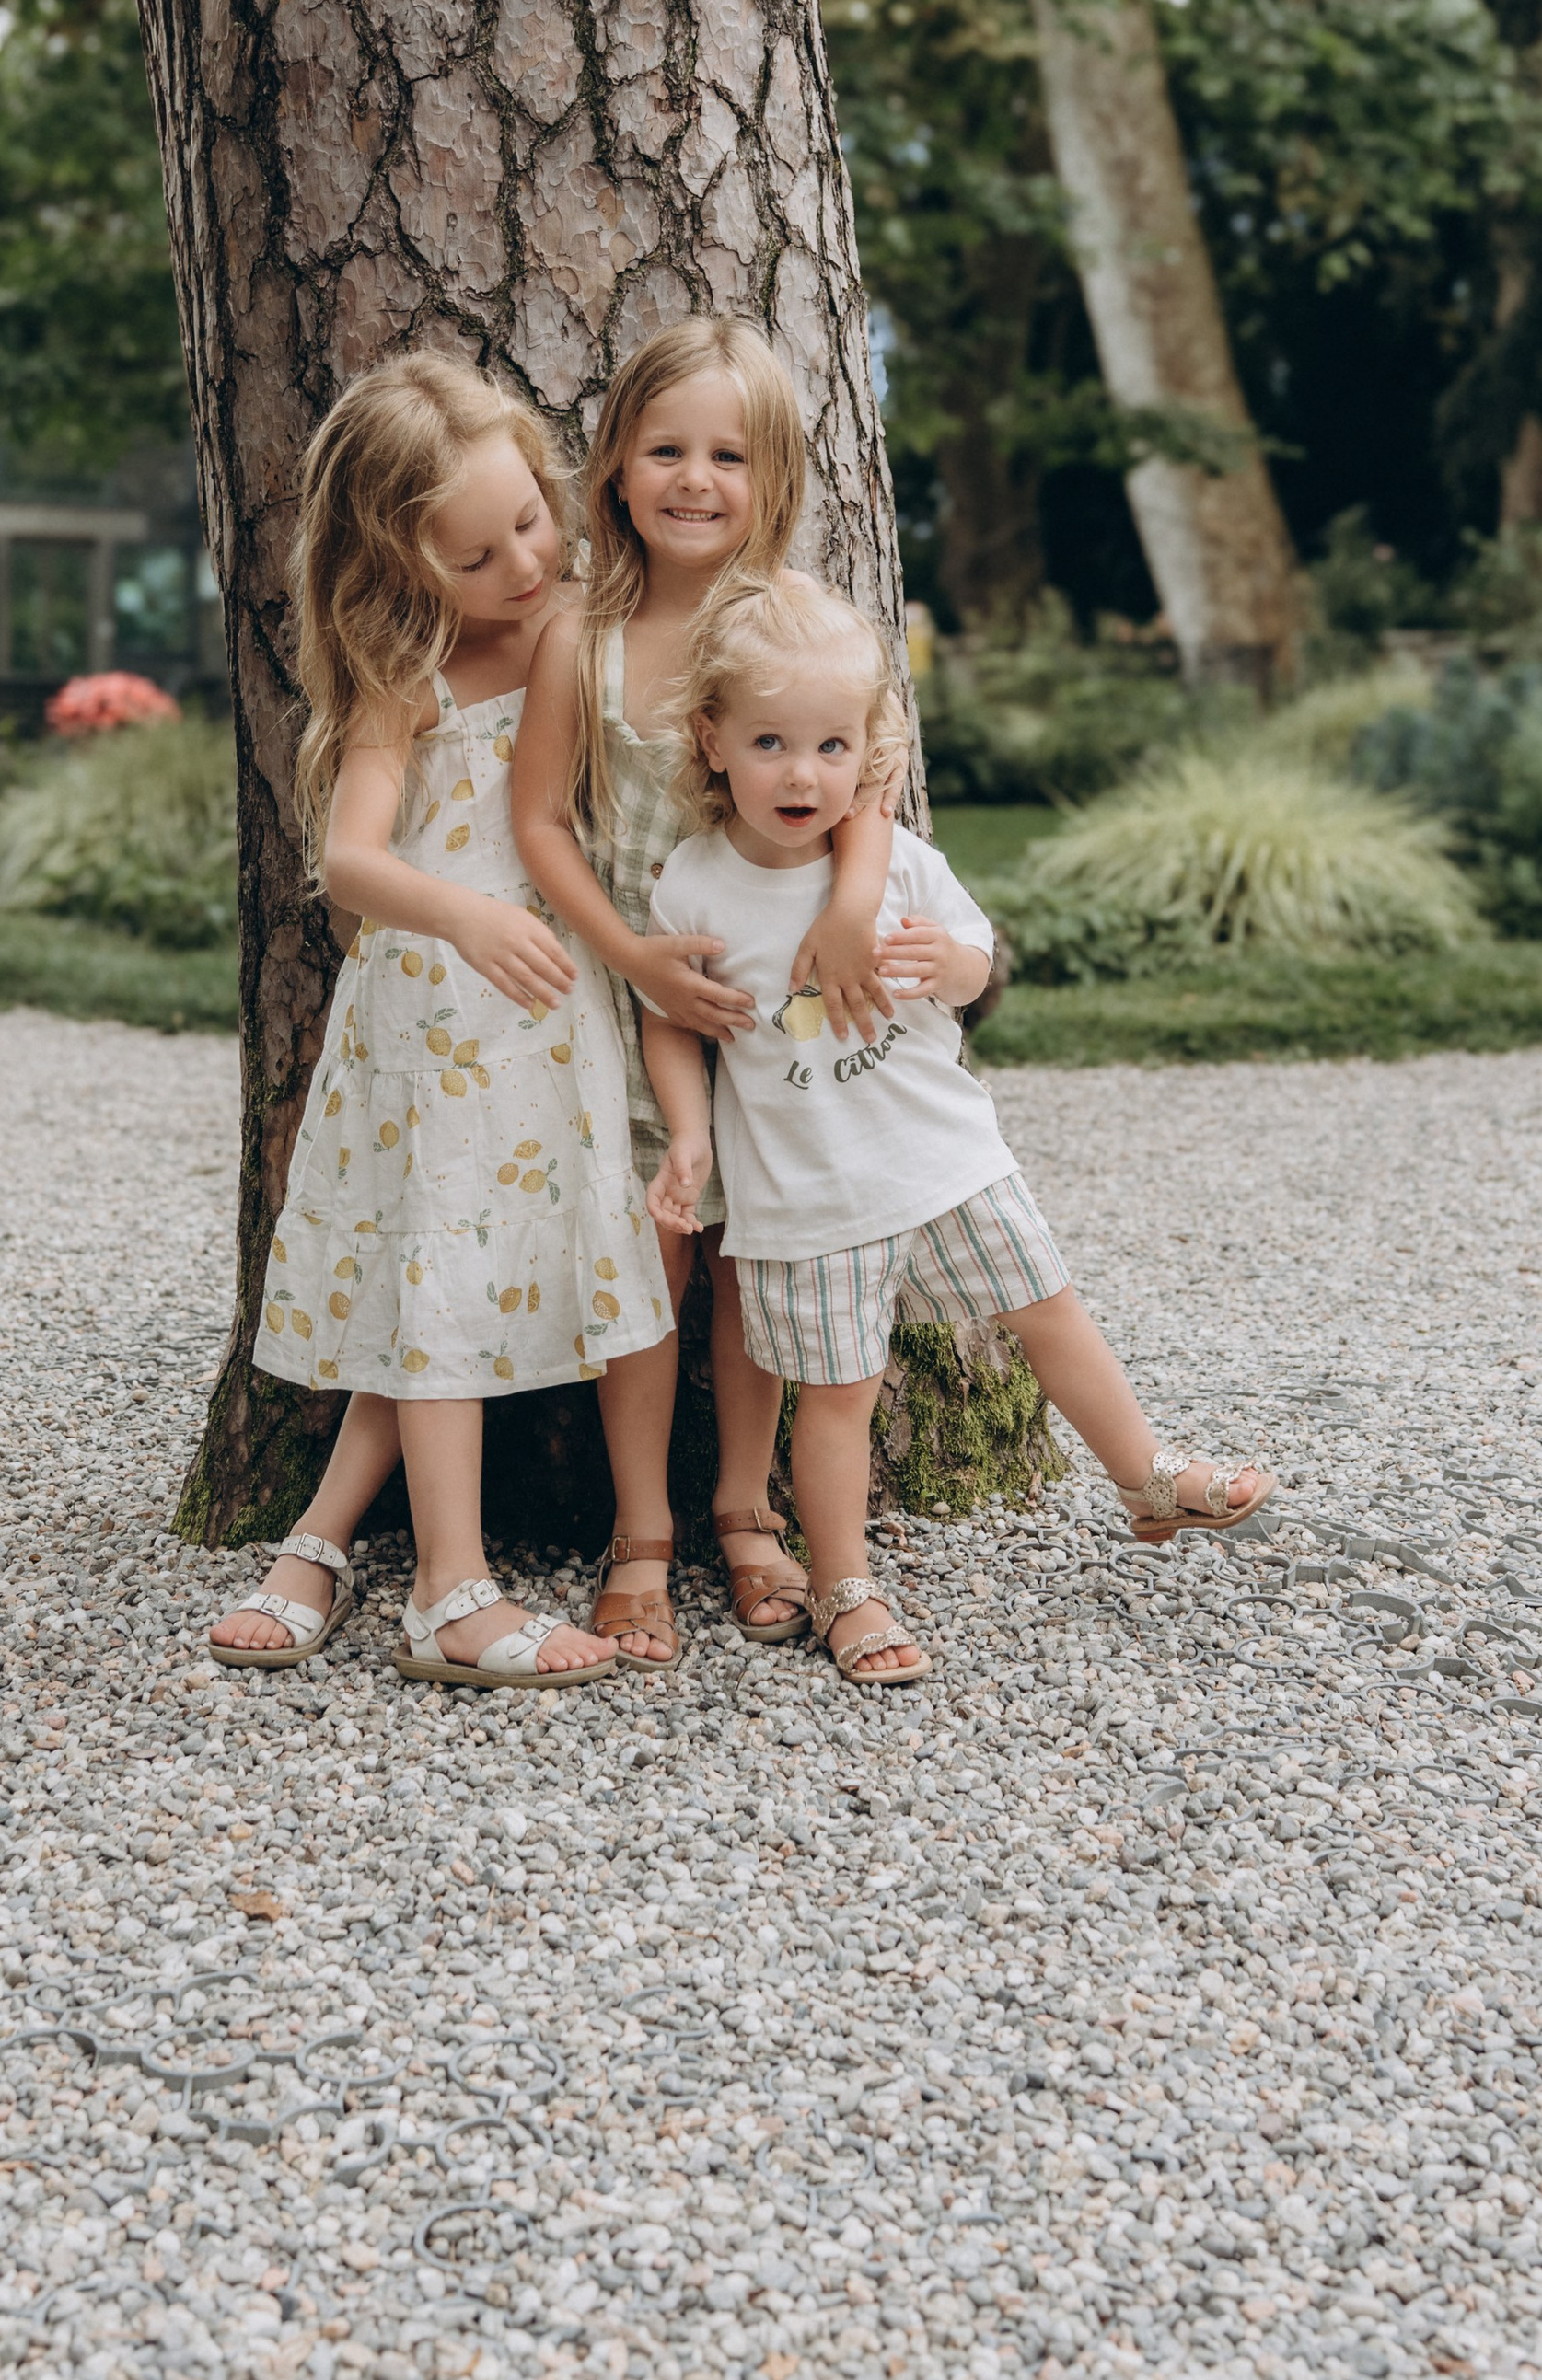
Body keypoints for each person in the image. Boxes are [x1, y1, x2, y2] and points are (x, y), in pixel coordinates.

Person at [639, 579, 1271, 1691]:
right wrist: (688, 1140)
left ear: (865, 753)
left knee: (1049, 1306)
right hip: (807, 1199)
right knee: (837, 1395)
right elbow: (670, 1028)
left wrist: (954, 967)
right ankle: (844, 1585)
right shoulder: (693, 885)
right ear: (713, 740)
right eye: (771, 743)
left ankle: (1144, 1475)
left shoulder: (901, 861)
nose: (803, 774)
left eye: (832, 746)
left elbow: (976, 961)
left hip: (946, 1163)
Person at [205, 356, 672, 1691]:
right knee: (439, 1286)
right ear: (401, 564)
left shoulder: (581, 622)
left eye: (532, 519)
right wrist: (461, 915)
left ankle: (316, 1547)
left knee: (440, 1297)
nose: (523, 564)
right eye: (475, 555)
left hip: (545, 1020)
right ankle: (451, 1597)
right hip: (435, 1020)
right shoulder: (401, 671)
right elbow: (352, 860)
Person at [509, 318, 898, 1670]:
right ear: (614, 465)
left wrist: (852, 911)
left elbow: (872, 787)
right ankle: (639, 1534)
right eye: (665, 449)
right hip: (631, 1006)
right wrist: (627, 956)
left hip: (777, 1009)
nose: (694, 479)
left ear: (774, 475)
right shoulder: (586, 633)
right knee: (650, 1264)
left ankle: (746, 1504)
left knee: (762, 1262)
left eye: (728, 454)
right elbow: (543, 825)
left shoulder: (791, 624)